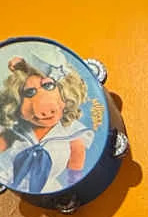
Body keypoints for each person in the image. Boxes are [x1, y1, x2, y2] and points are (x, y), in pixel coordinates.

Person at [0, 46, 95, 194]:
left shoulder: (71, 132)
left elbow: (76, 159)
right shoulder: (19, 128)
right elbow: (3, 142)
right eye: (29, 92)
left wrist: (74, 183)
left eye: (49, 86)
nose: (44, 110)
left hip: (46, 189)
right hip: (5, 178)